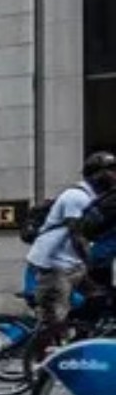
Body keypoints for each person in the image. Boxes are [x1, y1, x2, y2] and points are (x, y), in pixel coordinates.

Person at [27, 151, 116, 355]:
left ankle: (77, 340)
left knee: (98, 297)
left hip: (72, 264)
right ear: (95, 174)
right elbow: (77, 236)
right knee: (55, 318)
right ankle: (38, 367)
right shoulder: (76, 197)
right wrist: (91, 262)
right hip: (55, 264)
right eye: (111, 170)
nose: (115, 175)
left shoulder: (94, 198)